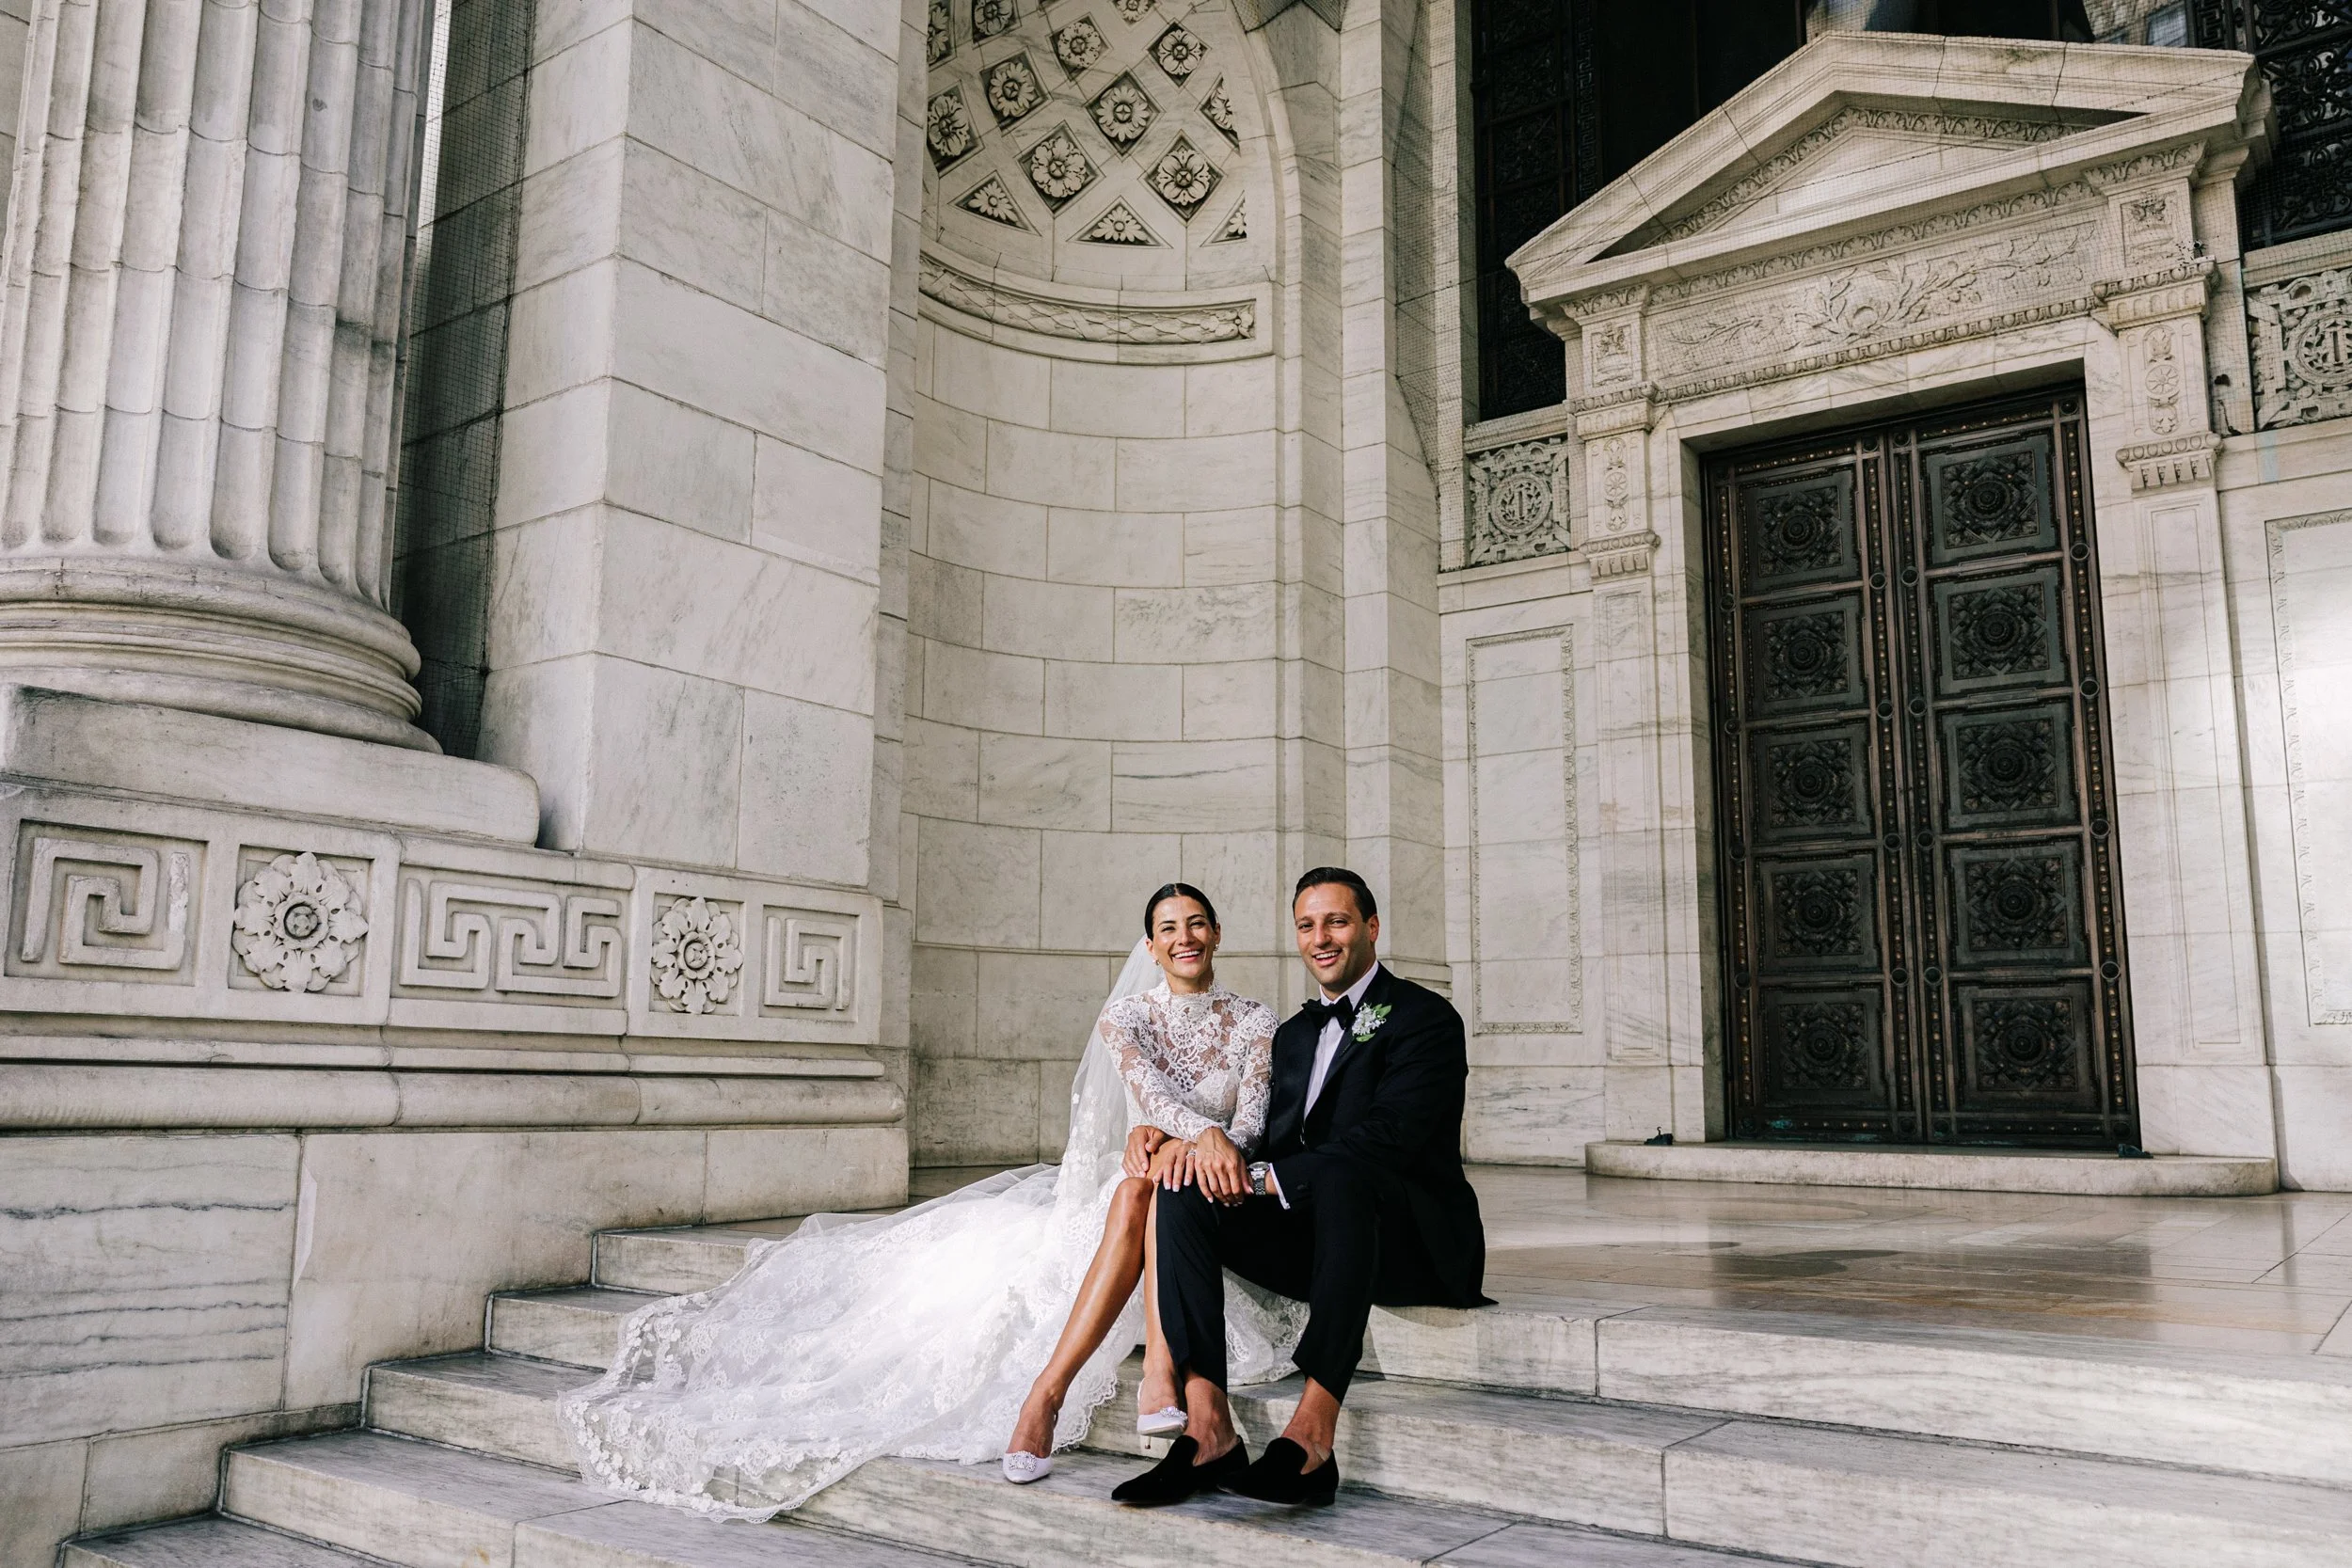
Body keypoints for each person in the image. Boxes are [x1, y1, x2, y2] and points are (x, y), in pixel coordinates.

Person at [556, 883, 1301, 1517]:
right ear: (1150, 942)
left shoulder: (1255, 1018)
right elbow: (1149, 1097)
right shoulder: (1127, 1017)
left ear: (1217, 934)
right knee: (1143, 1179)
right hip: (1150, 1178)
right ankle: (1060, 1390)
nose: (1185, 937)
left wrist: (1198, 1146)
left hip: (1214, 1183)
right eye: (1168, 927)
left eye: (1196, 923)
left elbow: (1250, 1122)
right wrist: (1177, 1140)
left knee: (1158, 1176)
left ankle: (1091, 1388)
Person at [1114, 866, 1488, 1508]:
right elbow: (1257, 1140)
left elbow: (1385, 1140)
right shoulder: (1292, 1034)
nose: (1322, 937)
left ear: (1371, 927)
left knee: (1348, 1170)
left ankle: (1312, 1438)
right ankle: (1208, 1428)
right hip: (1312, 1242)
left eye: (1337, 921)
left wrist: (1260, 1175)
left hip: (1409, 1243)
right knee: (1180, 1186)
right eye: (1308, 925)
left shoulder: (1427, 1019)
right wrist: (1177, 1143)